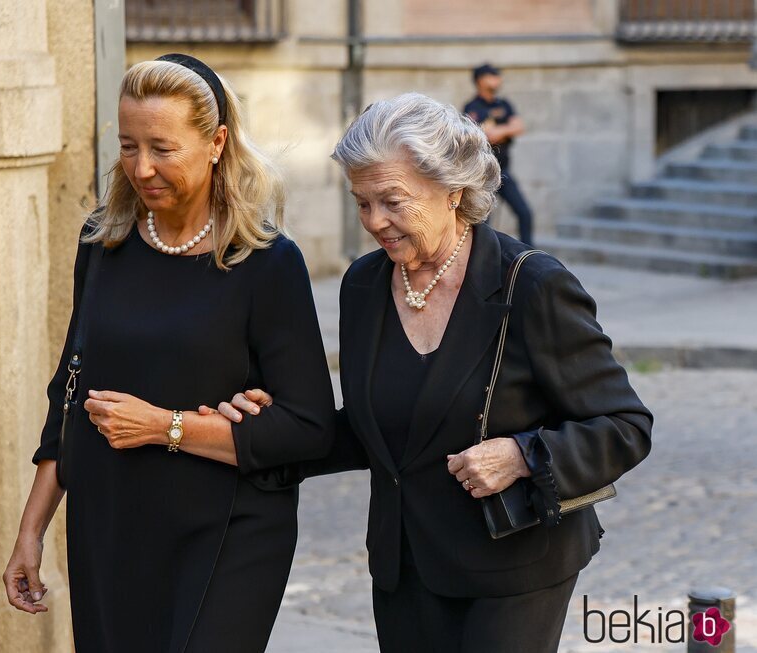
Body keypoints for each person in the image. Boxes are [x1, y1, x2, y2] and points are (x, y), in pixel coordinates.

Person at [206, 93, 653, 652]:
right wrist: (276, 428)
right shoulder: (365, 285)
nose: (375, 222)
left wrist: (522, 455)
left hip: (513, 565)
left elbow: (626, 426)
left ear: (454, 192)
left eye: (392, 201)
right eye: (362, 203)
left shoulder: (531, 284)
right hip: (405, 568)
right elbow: (384, 430)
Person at [1, 53, 336, 652]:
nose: (142, 167)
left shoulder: (265, 263)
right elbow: (69, 394)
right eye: (129, 146)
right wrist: (31, 532)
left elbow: (310, 427)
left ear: (217, 143)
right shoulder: (102, 244)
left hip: (230, 530)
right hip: (111, 524)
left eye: (163, 147)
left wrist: (165, 427)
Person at [463, 63, 534, 246]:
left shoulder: (504, 104)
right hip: (482, 176)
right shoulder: (471, 107)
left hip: (504, 171)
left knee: (524, 213)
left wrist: (498, 131)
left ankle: (529, 257)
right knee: (483, 223)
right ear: (481, 80)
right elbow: (476, 135)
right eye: (493, 76)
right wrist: (504, 130)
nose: (498, 80)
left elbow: (518, 127)